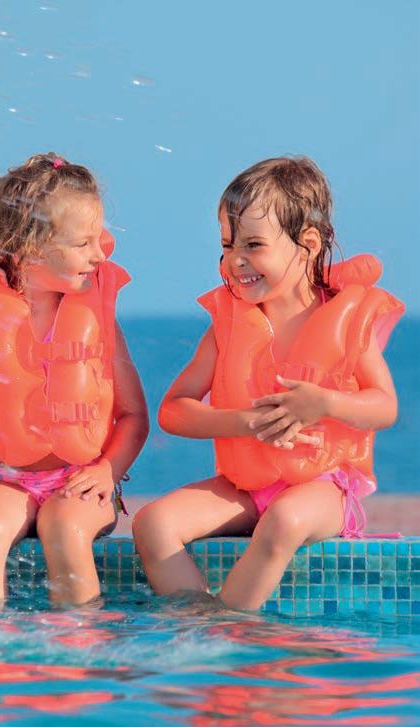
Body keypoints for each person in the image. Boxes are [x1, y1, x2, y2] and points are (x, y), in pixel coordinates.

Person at [133, 156, 403, 611]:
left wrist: (325, 403)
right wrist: (245, 422)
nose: (236, 260)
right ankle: (199, 623)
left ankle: (229, 625)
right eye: (227, 245)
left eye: (254, 244)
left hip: (323, 487)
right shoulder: (228, 325)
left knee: (283, 521)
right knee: (153, 524)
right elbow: (174, 411)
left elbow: (384, 406)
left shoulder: (343, 319)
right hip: (244, 486)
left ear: (308, 244)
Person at [0, 152, 148, 610]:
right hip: (4, 479)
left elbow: (134, 415)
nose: (100, 254)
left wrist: (108, 470)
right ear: (31, 247)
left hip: (81, 480)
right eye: (83, 243)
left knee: (65, 527)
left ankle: (79, 640)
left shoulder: (94, 315)